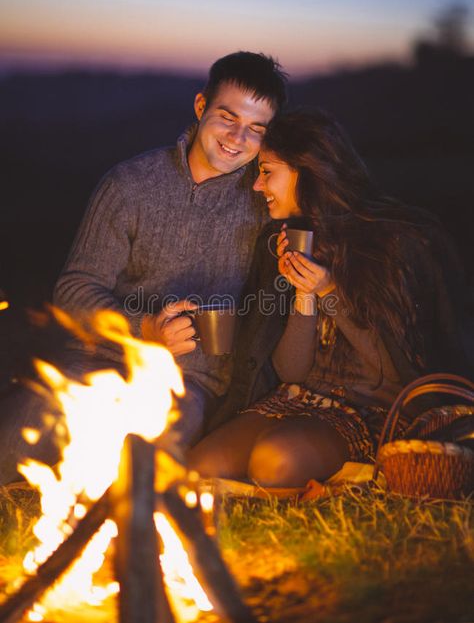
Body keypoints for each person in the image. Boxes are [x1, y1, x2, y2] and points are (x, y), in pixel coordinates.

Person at [0, 52, 288, 485]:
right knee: (15, 438)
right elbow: (76, 288)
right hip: (97, 357)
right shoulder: (130, 184)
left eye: (255, 129)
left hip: (193, 379)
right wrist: (143, 328)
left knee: (142, 467)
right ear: (200, 107)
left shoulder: (263, 201)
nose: (236, 137)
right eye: (227, 117)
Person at [188, 109, 471, 487]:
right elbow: (292, 372)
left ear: (308, 172)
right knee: (202, 466)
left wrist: (329, 291)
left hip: (372, 410)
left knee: (275, 462)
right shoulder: (293, 240)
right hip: (302, 399)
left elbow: (392, 371)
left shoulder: (393, 244)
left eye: (268, 171)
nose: (257, 186)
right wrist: (306, 296)